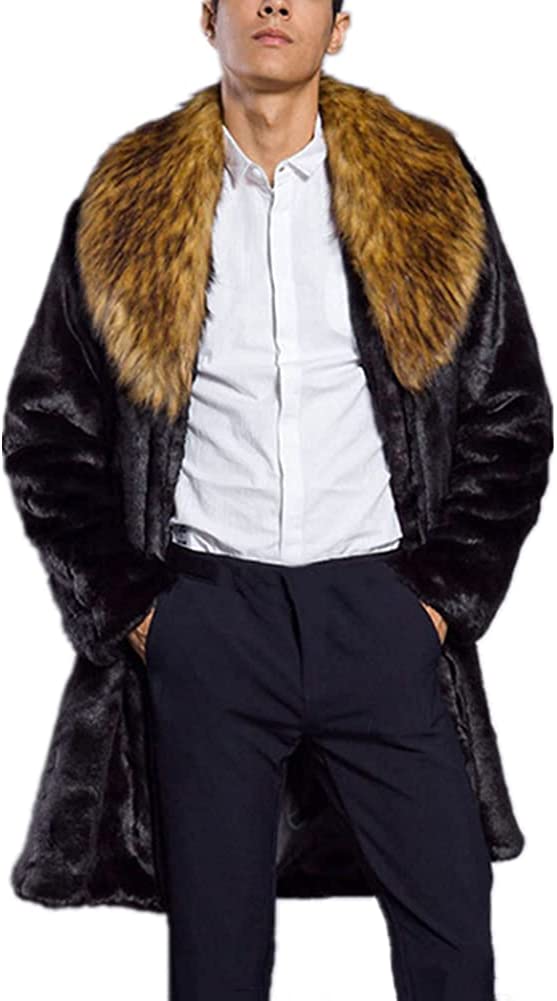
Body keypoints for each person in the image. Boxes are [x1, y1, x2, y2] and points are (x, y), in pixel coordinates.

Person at [3, 2, 553, 1000]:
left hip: (381, 613)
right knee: (216, 963)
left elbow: (509, 411)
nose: (272, 6)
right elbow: (48, 425)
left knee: (450, 942)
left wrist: (437, 601)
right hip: (208, 620)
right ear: (206, 18)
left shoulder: (425, 188)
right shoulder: (128, 198)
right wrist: (136, 611)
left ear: (336, 27)